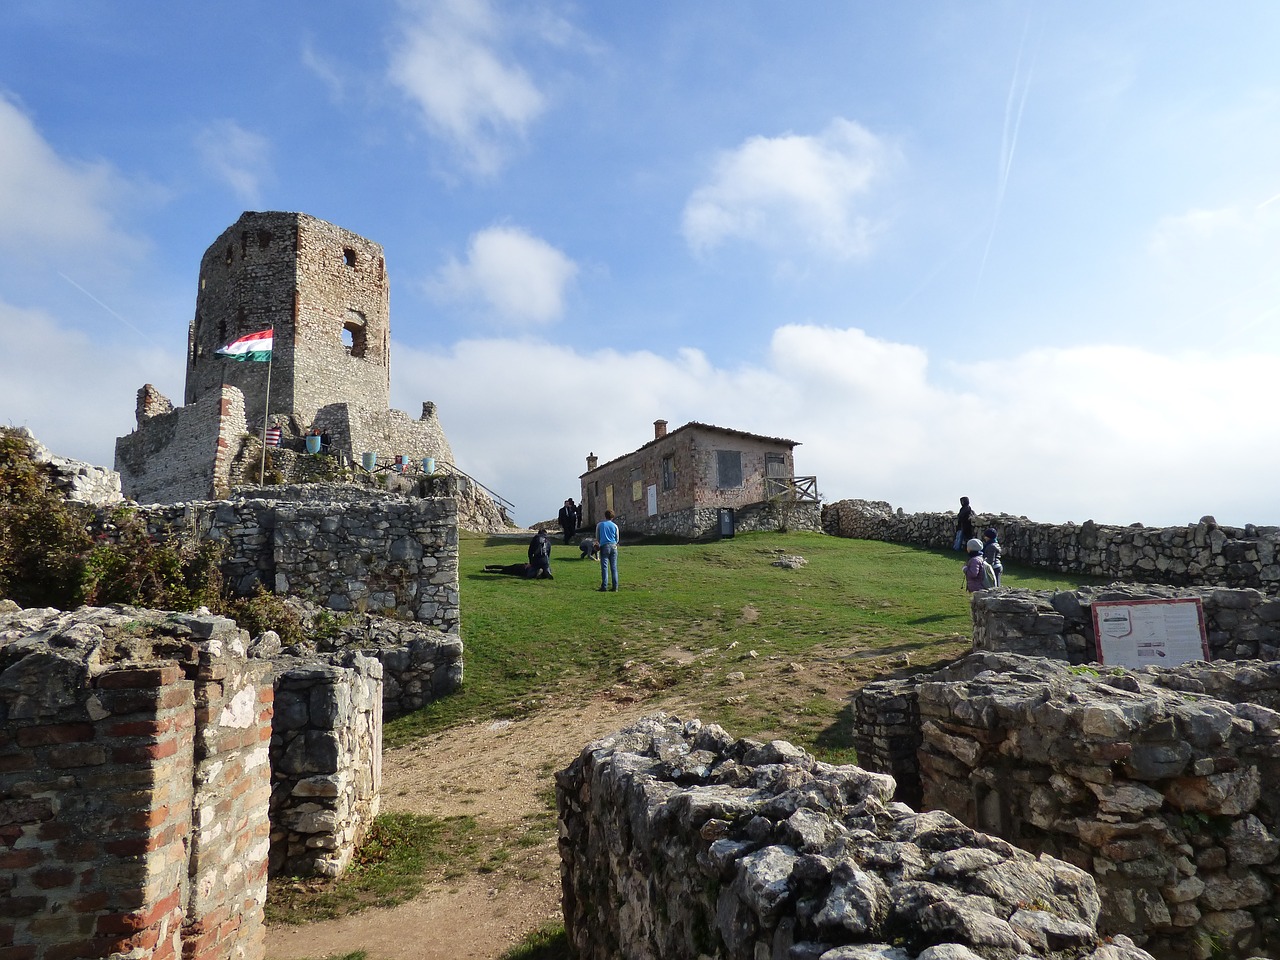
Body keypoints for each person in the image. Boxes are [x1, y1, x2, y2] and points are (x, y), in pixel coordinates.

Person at [596, 510, 619, 592]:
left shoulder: (600, 525)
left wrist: (599, 543)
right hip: (613, 546)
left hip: (604, 546)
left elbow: (597, 537)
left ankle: (604, 586)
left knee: (604, 567)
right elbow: (617, 538)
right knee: (614, 567)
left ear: (605, 516)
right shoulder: (615, 526)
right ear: (612, 517)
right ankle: (615, 586)